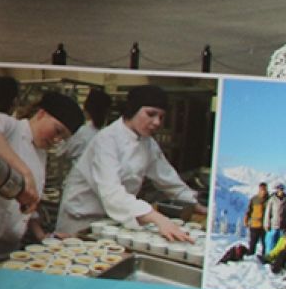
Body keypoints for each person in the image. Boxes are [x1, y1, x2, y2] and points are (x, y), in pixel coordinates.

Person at [55, 84, 203, 241]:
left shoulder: (147, 143)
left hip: (113, 218)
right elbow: (112, 192)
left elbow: (167, 177)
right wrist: (156, 218)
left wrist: (193, 202)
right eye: (151, 114)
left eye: (161, 117)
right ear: (133, 110)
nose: (157, 122)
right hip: (81, 219)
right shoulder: (107, 139)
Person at [0, 91, 84, 265]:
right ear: (42, 114)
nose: (57, 139)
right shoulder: (11, 126)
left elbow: (27, 203)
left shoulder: (41, 154)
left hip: (7, 250)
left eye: (63, 138)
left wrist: (43, 237)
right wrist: (24, 172)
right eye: (57, 130)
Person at [246, 182, 269, 255]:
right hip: (255, 225)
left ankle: (264, 257)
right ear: (259, 189)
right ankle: (250, 256)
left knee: (265, 243)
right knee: (252, 243)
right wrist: (246, 219)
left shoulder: (269, 199)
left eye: (264, 189)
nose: (263, 191)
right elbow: (249, 210)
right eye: (261, 189)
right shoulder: (254, 199)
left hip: (265, 225)